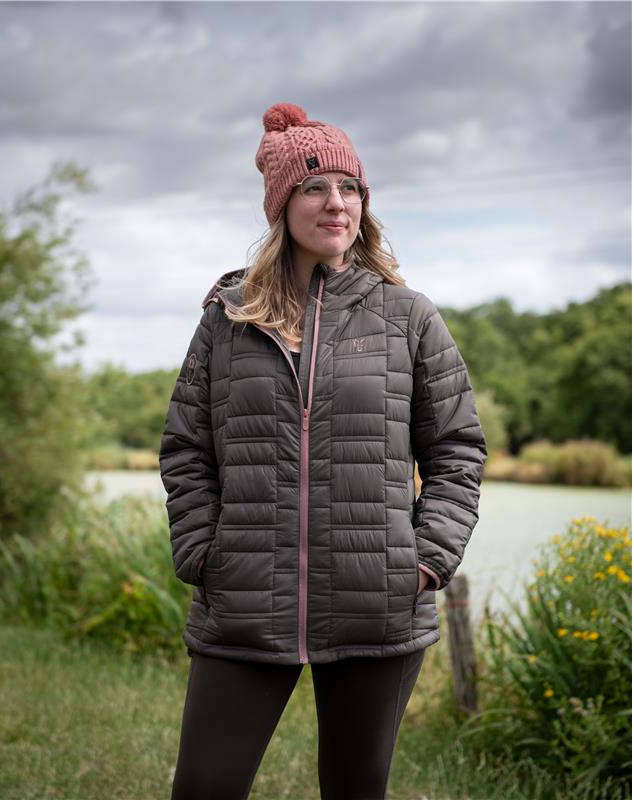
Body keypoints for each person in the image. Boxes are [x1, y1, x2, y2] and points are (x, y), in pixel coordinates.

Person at [159, 102, 487, 800]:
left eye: (350, 187)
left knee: (355, 788)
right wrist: (203, 553)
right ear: (282, 205)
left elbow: (457, 449)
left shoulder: (408, 317)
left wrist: (425, 561)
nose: (337, 203)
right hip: (245, 600)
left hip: (380, 602)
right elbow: (186, 447)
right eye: (314, 187)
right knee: (204, 787)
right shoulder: (228, 318)